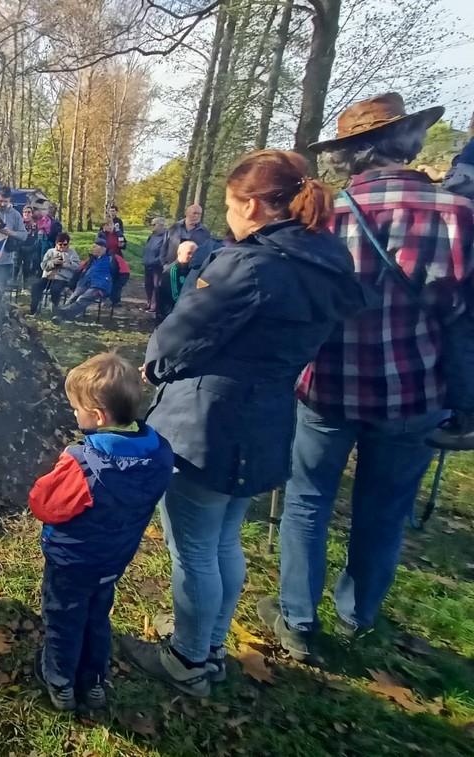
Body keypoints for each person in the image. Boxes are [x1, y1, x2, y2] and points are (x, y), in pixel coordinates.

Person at [120, 150, 366, 698]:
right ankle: (206, 642)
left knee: (193, 550)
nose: (228, 216)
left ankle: (187, 658)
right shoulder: (327, 261)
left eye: (231, 205)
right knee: (224, 539)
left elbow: (177, 339)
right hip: (269, 420)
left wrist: (154, 361)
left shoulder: (249, 264)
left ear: (251, 204)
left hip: (207, 425)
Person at [258, 94, 474, 661]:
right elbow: (465, 317)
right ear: (408, 144)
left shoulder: (324, 217)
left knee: (308, 500)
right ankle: (358, 616)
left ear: (350, 155)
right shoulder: (457, 215)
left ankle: (299, 621)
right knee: (385, 509)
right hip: (415, 394)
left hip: (326, 386)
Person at [29, 353, 174, 713]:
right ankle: (93, 683)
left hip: (71, 562)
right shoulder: (160, 452)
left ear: (97, 415)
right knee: (97, 616)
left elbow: (43, 504)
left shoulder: (83, 463)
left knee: (64, 617)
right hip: (114, 558)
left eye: (76, 408)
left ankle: (59, 681)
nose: (73, 414)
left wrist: (64, 464)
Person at [55, 243, 112, 321]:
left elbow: (124, 274)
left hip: (100, 286)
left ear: (102, 248)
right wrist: (72, 284)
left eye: (95, 246)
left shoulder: (112, 259)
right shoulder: (91, 259)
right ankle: (60, 317)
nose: (92, 248)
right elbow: (79, 270)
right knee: (73, 297)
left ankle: (63, 313)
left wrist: (115, 293)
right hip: (85, 283)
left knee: (83, 298)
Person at [29, 232, 80, 316]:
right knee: (36, 286)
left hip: (62, 278)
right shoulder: (50, 252)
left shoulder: (72, 253)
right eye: (60, 244)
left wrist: (65, 264)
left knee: (55, 289)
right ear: (56, 244)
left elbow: (77, 266)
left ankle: (54, 311)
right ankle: (34, 309)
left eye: (65, 244)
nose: (63, 246)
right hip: (48, 276)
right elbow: (43, 265)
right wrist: (53, 263)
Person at [163, 203, 214, 269]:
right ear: (186, 213)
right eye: (194, 213)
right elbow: (164, 245)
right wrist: (164, 264)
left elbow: (207, 252)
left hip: (192, 269)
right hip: (171, 266)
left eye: (199, 214)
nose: (197, 216)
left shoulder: (204, 232)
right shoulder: (174, 227)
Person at [155, 241, 196, 324]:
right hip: (170, 314)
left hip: (184, 311)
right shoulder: (172, 271)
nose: (192, 256)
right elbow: (174, 296)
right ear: (179, 253)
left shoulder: (192, 269)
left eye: (194, 253)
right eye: (189, 253)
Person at [141, 217, 167, 313]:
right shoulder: (152, 236)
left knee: (156, 286)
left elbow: (164, 251)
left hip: (157, 265)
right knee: (148, 285)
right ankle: (149, 302)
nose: (152, 226)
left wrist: (159, 261)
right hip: (148, 263)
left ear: (160, 225)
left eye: (154, 224)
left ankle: (155, 305)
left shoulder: (165, 236)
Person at [15, 205, 42, 288]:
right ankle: (13, 284)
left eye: (29, 212)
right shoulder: (18, 224)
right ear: (22, 213)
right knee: (15, 267)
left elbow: (38, 239)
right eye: (25, 212)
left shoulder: (36, 225)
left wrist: (32, 248)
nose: (27, 214)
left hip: (30, 249)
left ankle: (25, 286)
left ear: (32, 214)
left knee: (27, 269)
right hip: (18, 249)